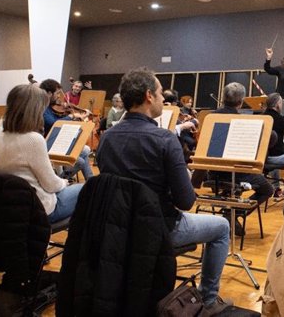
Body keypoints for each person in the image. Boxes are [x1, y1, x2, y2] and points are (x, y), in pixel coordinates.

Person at [96, 67, 232, 314]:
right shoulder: (164, 139)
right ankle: (208, 300)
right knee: (222, 227)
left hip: (117, 228)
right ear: (149, 96)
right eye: (160, 93)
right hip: (158, 229)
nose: (162, 99)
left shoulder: (106, 138)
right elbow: (186, 201)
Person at [0, 84, 83, 223]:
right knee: (88, 189)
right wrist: (64, 183)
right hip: (39, 209)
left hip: (9, 207)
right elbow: (51, 185)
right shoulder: (33, 139)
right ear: (35, 109)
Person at [214, 82, 274, 205]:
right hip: (238, 173)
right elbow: (272, 137)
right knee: (267, 190)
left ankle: (230, 212)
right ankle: (235, 213)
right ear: (241, 101)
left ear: (223, 98)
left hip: (213, 173)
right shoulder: (242, 120)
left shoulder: (210, 117)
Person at [39, 79, 94, 180]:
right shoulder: (42, 107)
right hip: (48, 145)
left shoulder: (49, 107)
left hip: (57, 142)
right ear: (49, 93)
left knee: (85, 152)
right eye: (57, 93)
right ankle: (61, 180)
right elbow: (54, 123)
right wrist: (71, 116)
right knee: (80, 161)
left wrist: (76, 118)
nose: (59, 96)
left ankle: (91, 181)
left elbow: (58, 120)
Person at [262, 93, 284, 198]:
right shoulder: (281, 120)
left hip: (262, 159)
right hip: (276, 159)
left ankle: (276, 188)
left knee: (272, 152)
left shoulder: (261, 117)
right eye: (281, 103)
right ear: (277, 104)